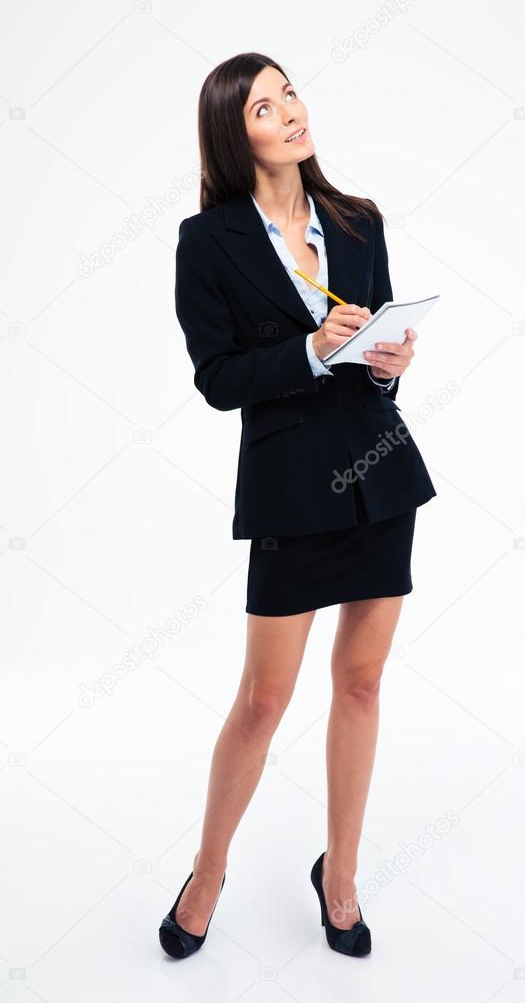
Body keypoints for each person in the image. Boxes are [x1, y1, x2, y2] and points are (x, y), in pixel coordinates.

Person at [159, 52, 437, 960]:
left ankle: (341, 876)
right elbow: (216, 379)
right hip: (288, 485)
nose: (289, 113)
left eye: (289, 93)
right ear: (234, 139)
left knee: (360, 684)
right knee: (263, 700)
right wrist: (311, 350)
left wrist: (390, 361)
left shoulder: (358, 221)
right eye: (264, 108)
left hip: (379, 474)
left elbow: (379, 351)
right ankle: (207, 871)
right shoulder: (209, 242)